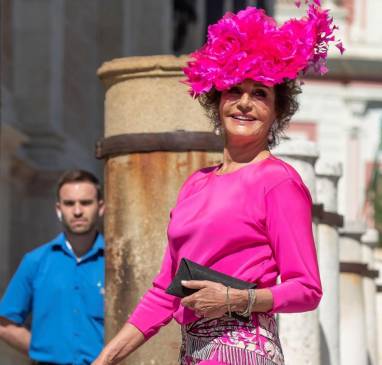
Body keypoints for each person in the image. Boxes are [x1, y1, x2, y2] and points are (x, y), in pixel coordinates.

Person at [92, 1, 343, 364]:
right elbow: (164, 293)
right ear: (217, 99)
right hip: (192, 354)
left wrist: (236, 299)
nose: (244, 103)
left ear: (276, 111)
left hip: (244, 352)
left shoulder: (278, 182)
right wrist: (105, 359)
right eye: (234, 91)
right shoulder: (195, 183)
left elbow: (307, 289)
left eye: (260, 94)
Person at [0, 169, 105, 364]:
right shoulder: (35, 261)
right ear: (58, 209)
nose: (77, 211)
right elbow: (4, 323)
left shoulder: (116, 263)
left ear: (100, 207)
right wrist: (42, 351)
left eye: (85, 202)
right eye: (69, 203)